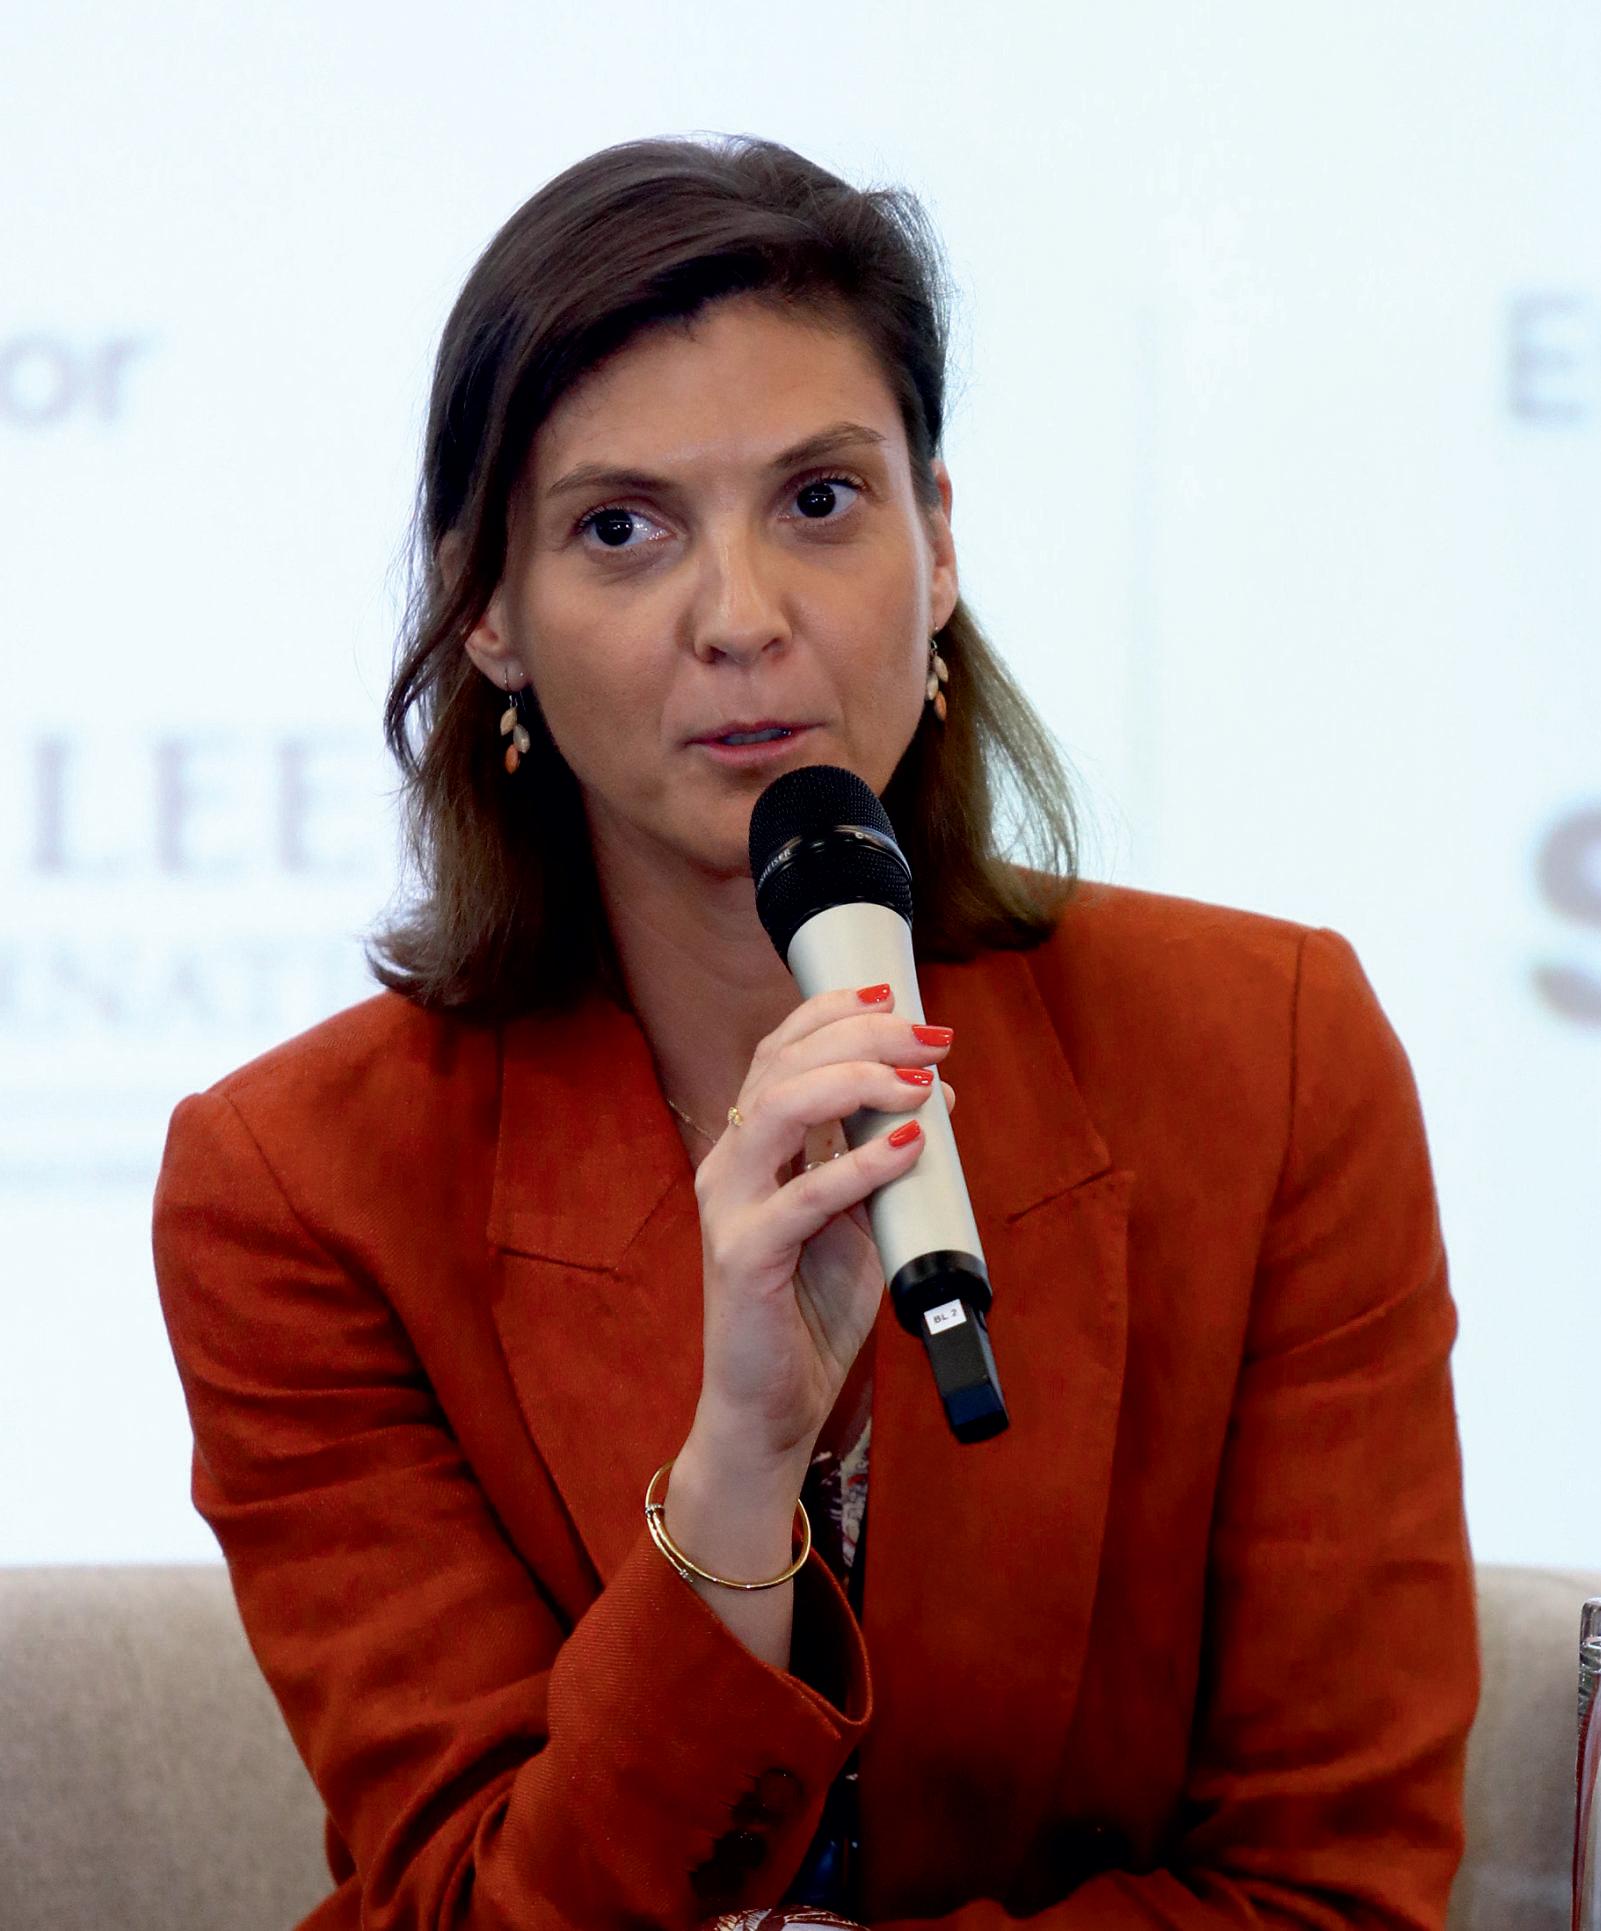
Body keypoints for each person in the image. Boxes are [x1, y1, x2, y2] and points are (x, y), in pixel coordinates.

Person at [152, 135, 1478, 1931]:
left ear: (938, 548)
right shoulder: (298, 1185)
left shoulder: (1274, 1057)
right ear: (489, 616)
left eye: (821, 500)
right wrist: (737, 1469)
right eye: (620, 530)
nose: (742, 620)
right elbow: (475, 1912)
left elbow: (1337, 1891)